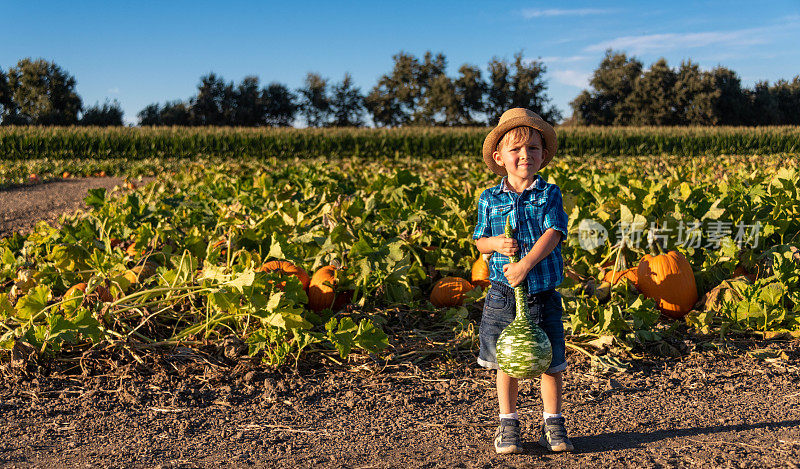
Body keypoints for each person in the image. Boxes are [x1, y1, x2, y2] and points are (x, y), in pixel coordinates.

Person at [473, 108, 573, 454]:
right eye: (515, 150)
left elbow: (555, 232)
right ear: (499, 158)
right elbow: (480, 240)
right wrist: (497, 245)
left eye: (532, 148)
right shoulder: (489, 198)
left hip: (542, 292)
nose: (524, 155)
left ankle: (553, 423)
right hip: (503, 294)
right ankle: (508, 424)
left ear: (543, 156)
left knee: (551, 361)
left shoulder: (549, 194)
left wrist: (526, 264)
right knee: (507, 360)